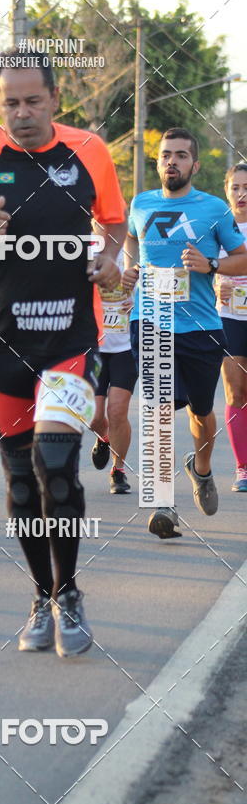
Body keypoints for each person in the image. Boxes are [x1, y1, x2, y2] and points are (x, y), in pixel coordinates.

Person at [0, 50, 127, 658]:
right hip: (2, 344)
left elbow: (113, 221)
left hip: (71, 340)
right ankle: (43, 595)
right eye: (9, 103)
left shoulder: (89, 151)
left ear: (54, 99)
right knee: (20, 485)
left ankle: (70, 593)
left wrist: (109, 258)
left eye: (33, 101)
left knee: (55, 465)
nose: (21, 113)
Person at [122, 129, 247, 539]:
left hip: (201, 326)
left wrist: (211, 265)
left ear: (195, 164)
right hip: (151, 320)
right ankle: (163, 503)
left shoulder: (213, 209)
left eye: (180, 155)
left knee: (200, 411)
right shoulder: (141, 203)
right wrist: (130, 268)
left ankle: (202, 468)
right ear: (158, 162)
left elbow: (243, 257)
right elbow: (131, 239)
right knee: (158, 410)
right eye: (165, 155)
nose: (171, 161)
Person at [90, 247, 137, 494]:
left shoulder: (134, 248)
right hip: (94, 347)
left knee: (117, 411)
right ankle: (104, 437)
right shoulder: (83, 246)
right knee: (94, 415)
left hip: (125, 347)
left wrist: (139, 302)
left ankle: (118, 470)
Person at [216, 162, 247, 491]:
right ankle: (243, 468)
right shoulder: (217, 227)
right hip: (229, 317)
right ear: (226, 191)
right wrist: (215, 284)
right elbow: (197, 269)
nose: (241, 194)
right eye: (235, 187)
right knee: (236, 391)